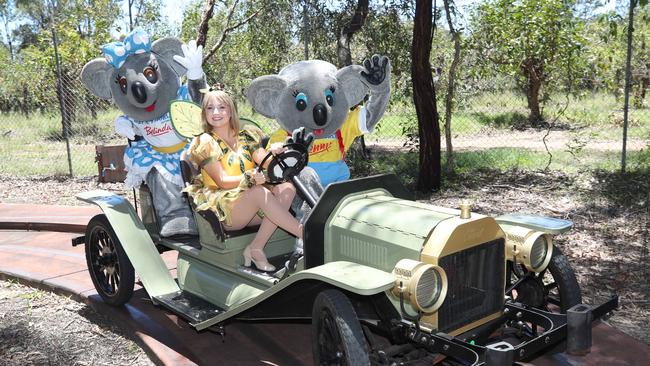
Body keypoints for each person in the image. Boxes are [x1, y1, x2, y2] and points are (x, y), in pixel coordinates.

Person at [184, 90, 302, 272]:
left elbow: (266, 162)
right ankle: (308, 236)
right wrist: (250, 179)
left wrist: (277, 152)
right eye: (210, 108)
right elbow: (222, 181)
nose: (216, 113)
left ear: (231, 111)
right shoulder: (205, 142)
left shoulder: (246, 136)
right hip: (225, 208)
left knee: (287, 188)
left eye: (221, 107)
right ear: (204, 114)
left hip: (254, 203)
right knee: (258, 192)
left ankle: (255, 248)